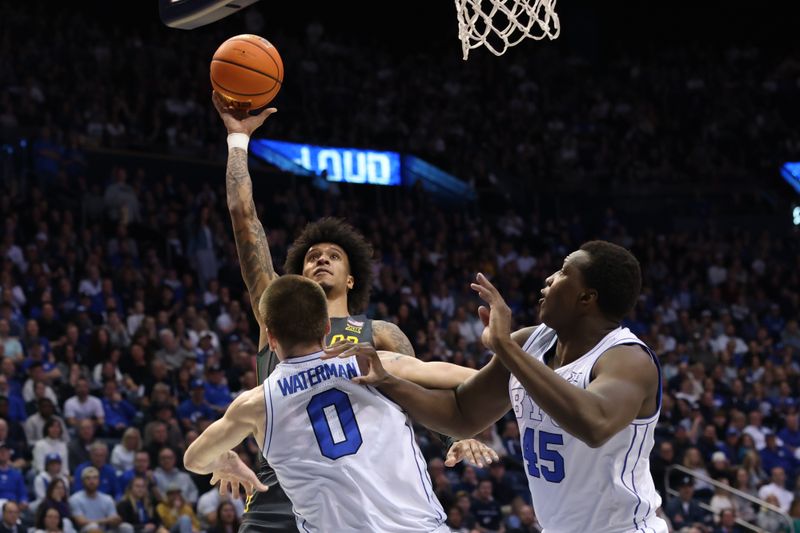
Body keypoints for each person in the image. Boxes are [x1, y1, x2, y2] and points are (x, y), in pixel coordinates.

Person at [213, 92, 491, 533]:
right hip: (281, 495)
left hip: (358, 502)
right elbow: (243, 216)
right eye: (311, 256)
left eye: (333, 256)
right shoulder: (275, 314)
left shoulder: (379, 334)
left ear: (351, 279)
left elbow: (418, 391)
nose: (319, 259)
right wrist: (237, 141)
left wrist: (456, 436)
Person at [326, 241, 669, 532]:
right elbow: (461, 415)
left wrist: (505, 347)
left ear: (586, 298)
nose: (548, 280)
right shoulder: (529, 344)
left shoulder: (628, 359)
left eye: (563, 272)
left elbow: (594, 425)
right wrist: (389, 382)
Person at [184, 275, 452, 532]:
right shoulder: (371, 362)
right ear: (326, 328)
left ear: (271, 336)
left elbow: (194, 459)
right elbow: (467, 380)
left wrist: (225, 458)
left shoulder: (255, 403)